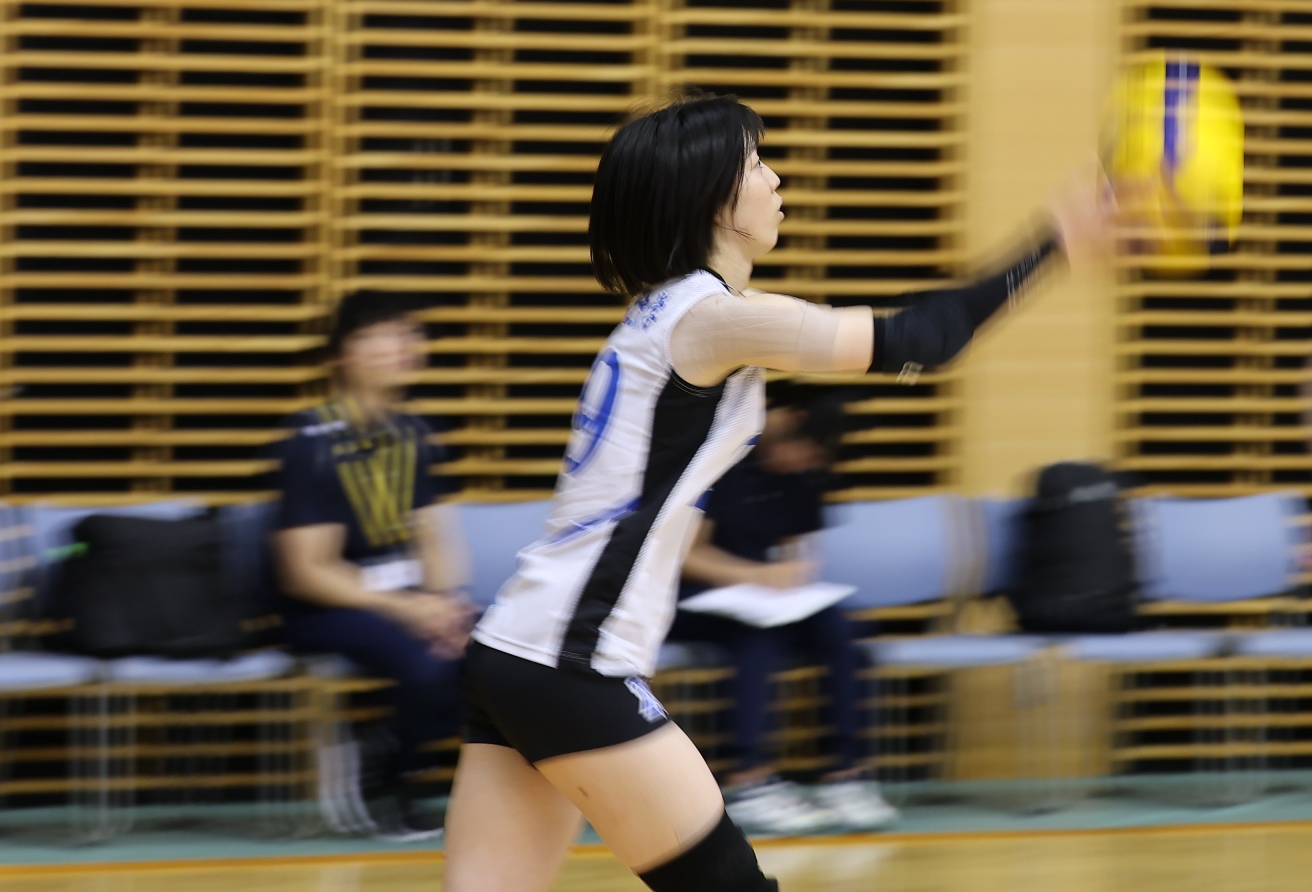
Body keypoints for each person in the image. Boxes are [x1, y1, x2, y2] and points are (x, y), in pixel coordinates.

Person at [444, 93, 1107, 892]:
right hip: (569, 661)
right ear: (713, 201)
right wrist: (1053, 244)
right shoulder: (710, 319)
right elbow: (922, 343)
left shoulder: (663, 316)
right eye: (757, 164)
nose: (775, 179)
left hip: (514, 648)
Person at [273, 290, 474, 840]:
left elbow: (436, 539)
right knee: (426, 664)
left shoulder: (416, 435)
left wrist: (446, 604)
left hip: (406, 600)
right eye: (382, 335)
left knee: (498, 650)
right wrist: (408, 610)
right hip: (329, 606)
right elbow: (307, 570)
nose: (401, 347)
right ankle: (391, 777)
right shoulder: (311, 440)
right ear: (344, 354)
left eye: (408, 334)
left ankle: (404, 754)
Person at [669, 387, 895, 837]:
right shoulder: (721, 455)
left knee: (843, 629)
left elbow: (798, 549)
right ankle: (750, 780)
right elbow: (686, 555)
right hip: (691, 599)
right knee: (758, 639)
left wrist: (796, 575)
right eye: (804, 451)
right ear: (791, 419)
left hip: (759, 598)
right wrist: (758, 576)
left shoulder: (805, 473)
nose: (804, 463)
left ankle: (846, 773)